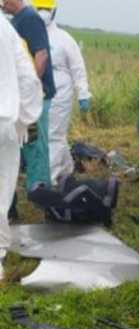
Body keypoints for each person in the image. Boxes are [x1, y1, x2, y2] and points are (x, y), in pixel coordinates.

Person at [0, 16, 43, 281]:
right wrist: (24, 119)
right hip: (6, 121)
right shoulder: (5, 28)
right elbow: (29, 78)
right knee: (2, 191)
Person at [35, 0, 90, 185]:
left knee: (54, 135)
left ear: (54, 11)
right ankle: (67, 168)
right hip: (38, 94)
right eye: (39, 8)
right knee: (50, 135)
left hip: (60, 94)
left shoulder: (64, 39)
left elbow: (78, 68)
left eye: (46, 9)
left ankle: (50, 180)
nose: (43, 12)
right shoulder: (31, 35)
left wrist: (83, 93)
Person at [4, 0, 55, 192]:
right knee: (27, 143)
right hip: (24, 96)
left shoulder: (30, 19)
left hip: (37, 96)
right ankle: (34, 187)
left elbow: (41, 56)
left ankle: (42, 192)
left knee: (35, 145)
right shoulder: (17, 20)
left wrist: (31, 89)